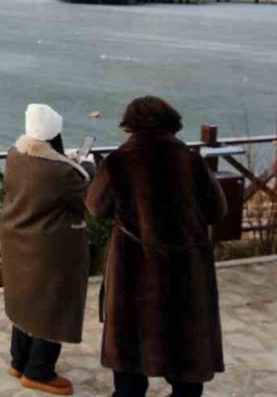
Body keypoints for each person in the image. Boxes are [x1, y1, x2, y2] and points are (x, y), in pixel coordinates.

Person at [87, 96, 228, 397]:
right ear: (171, 123)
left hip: (134, 270)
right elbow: (217, 210)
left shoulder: (118, 162)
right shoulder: (192, 160)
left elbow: (96, 207)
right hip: (187, 269)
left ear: (130, 125)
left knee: (129, 356)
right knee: (187, 354)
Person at [0, 104, 94, 396]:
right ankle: (39, 371)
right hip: (52, 247)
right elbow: (86, 198)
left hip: (18, 240)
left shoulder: (16, 155)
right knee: (54, 303)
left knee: (25, 300)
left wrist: (68, 163)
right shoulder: (61, 171)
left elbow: (46, 179)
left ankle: (19, 361)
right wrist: (87, 164)